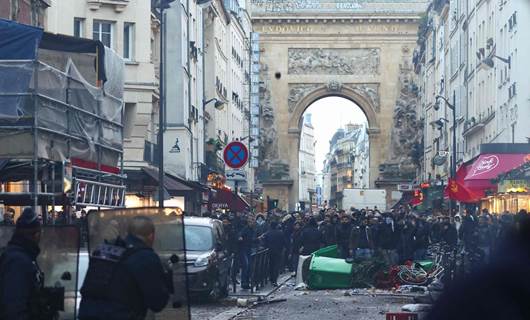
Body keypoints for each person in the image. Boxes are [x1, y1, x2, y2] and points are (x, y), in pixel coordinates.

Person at [79, 216, 170, 320]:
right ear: (151, 236)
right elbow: (157, 303)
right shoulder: (146, 257)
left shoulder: (104, 250)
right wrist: (166, 281)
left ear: (128, 233)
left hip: (87, 314)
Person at [0, 207, 44, 320]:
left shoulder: (19, 255)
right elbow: (14, 308)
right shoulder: (18, 261)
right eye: (39, 233)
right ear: (35, 235)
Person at [263, 221, 285, 286]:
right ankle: (274, 279)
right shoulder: (280, 233)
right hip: (278, 251)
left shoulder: (267, 233)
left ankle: (271, 278)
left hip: (269, 251)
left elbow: (265, 242)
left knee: (271, 265)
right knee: (276, 265)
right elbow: (283, 242)